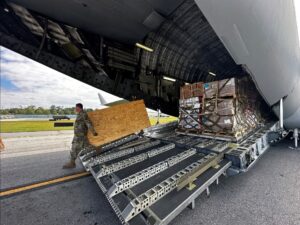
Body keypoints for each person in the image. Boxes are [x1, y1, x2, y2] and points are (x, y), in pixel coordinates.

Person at [63, 103, 97, 169]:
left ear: (79, 108)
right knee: (86, 148)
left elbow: (88, 123)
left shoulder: (83, 114)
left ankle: (72, 163)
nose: (75, 109)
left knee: (74, 149)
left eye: (76, 108)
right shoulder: (79, 114)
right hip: (78, 135)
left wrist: (93, 132)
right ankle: (94, 157)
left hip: (80, 137)